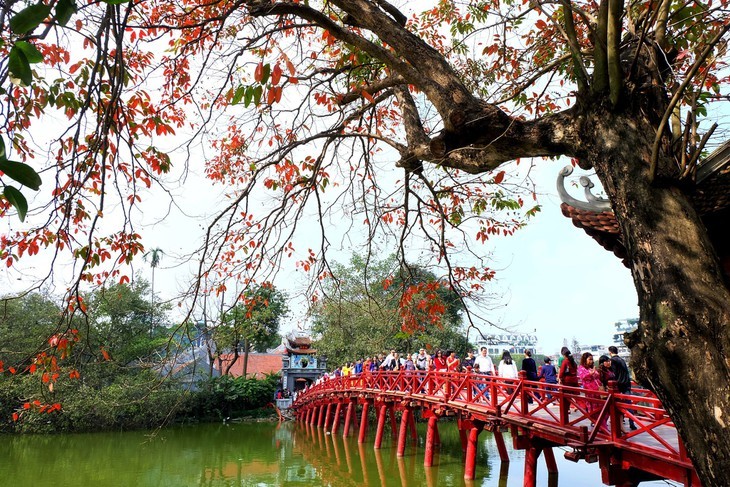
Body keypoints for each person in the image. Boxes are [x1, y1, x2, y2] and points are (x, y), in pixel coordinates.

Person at [609, 346, 637, 431]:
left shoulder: (613, 360)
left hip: (620, 385)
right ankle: (632, 423)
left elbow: (614, 374)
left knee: (621, 405)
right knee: (628, 404)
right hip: (627, 384)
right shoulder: (622, 360)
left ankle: (622, 422)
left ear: (610, 352)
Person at [578, 352, 602, 418]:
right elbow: (583, 377)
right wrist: (590, 374)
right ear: (585, 359)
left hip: (598, 390)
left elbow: (598, 376)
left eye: (592, 359)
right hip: (590, 391)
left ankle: (600, 421)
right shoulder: (581, 368)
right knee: (593, 407)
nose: (591, 361)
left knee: (600, 407)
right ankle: (594, 420)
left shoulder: (591, 368)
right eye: (590, 359)